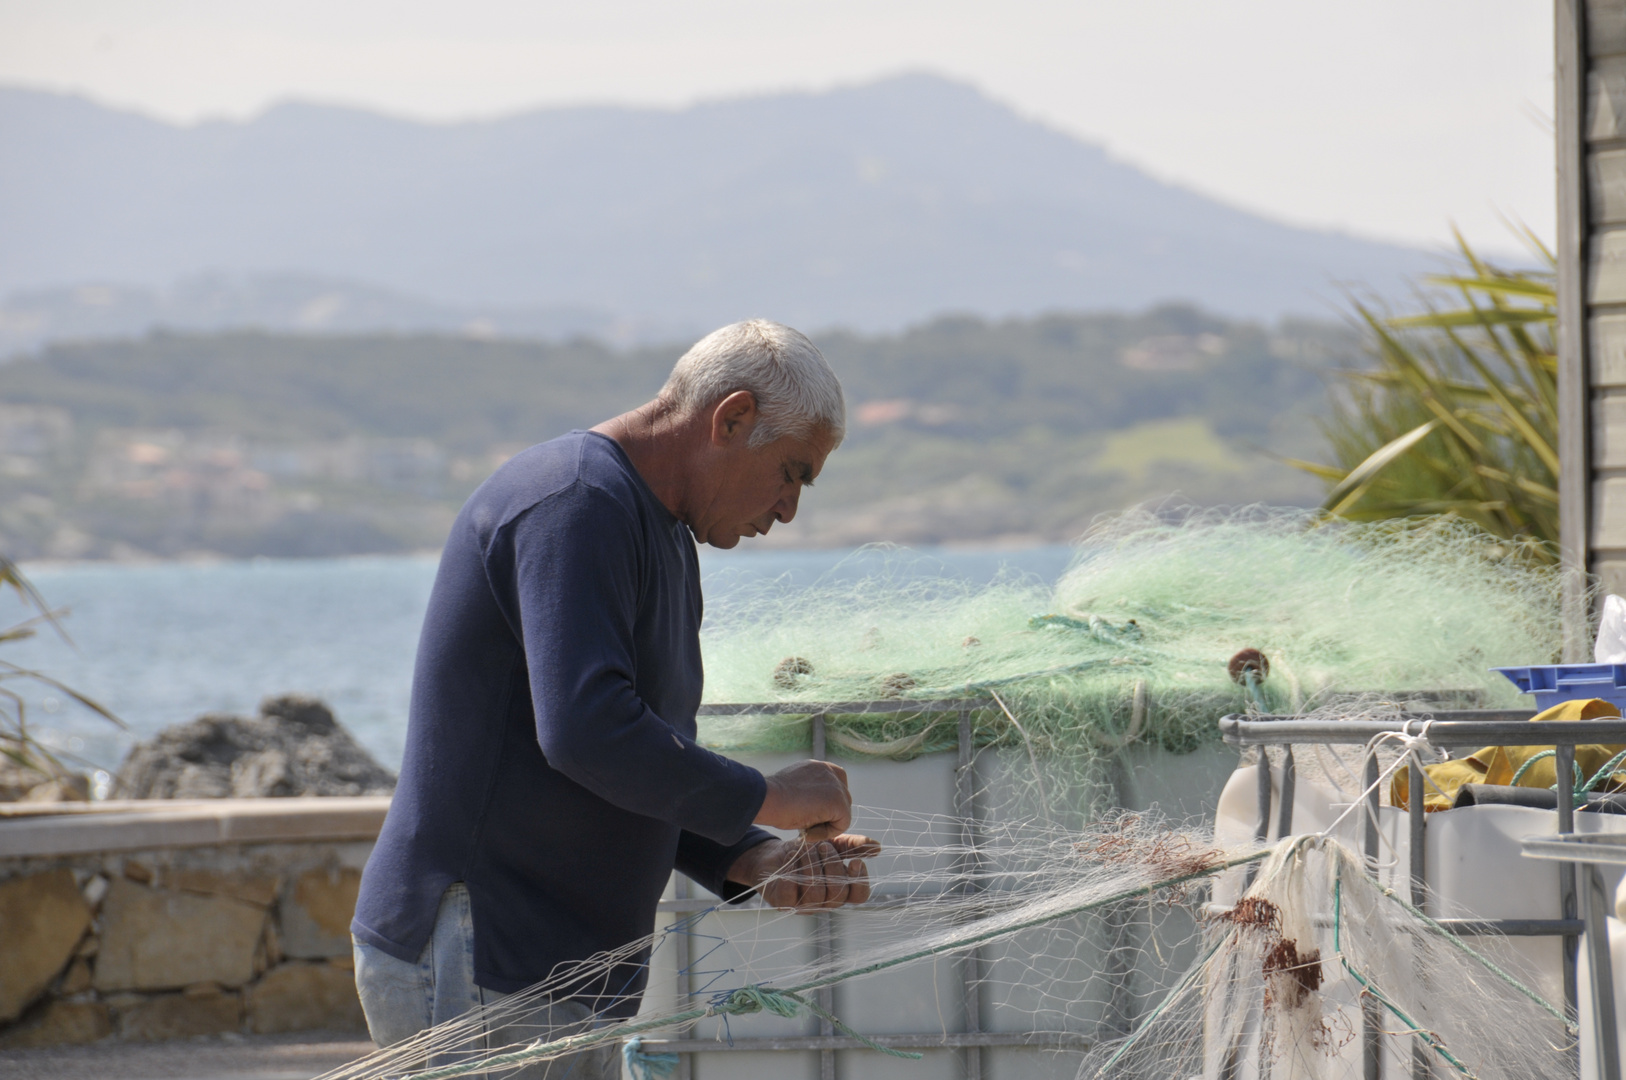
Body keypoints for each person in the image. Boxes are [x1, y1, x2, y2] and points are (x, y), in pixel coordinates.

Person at [350, 320, 877, 1077]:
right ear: (730, 420)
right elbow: (587, 731)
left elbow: (641, 756)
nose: (789, 508)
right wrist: (768, 793)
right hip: (482, 961)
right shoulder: (576, 502)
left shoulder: (658, 530)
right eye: (792, 471)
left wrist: (749, 857)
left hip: (551, 978)